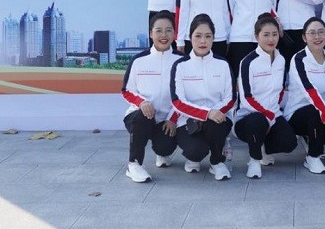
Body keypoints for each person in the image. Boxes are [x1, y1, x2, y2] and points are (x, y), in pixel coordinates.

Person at [170, 14, 234, 180]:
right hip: (188, 121)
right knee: (195, 151)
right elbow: (178, 102)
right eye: (198, 36)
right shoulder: (180, 65)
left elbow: (231, 97)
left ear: (214, 38)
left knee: (214, 124)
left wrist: (213, 113)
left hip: (218, 118)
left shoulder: (223, 64)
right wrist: (206, 113)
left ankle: (217, 162)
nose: (203, 41)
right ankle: (194, 157)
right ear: (190, 37)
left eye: (208, 36)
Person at [234, 13, 298, 178]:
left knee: (290, 143)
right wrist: (267, 115)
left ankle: (263, 146)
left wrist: (275, 113)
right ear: (257, 36)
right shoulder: (248, 62)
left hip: (273, 114)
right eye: (266, 35)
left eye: (274, 34)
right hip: (248, 117)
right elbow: (247, 98)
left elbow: (280, 89)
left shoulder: (280, 59)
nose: (271, 39)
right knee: (257, 121)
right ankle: (254, 160)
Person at [121, 12, 181, 183]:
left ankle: (163, 153)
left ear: (175, 34)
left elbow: (187, 95)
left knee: (165, 147)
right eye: (158, 30)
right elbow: (126, 90)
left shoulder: (182, 61)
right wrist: (142, 102)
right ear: (150, 33)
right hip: (140, 115)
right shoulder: (139, 60)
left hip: (167, 120)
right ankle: (134, 164)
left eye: (168, 30)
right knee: (142, 117)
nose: (164, 35)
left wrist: (173, 119)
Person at [283, 17, 325, 174]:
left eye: (321, 32)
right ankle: (313, 157)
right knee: (315, 113)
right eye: (312, 33)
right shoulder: (299, 59)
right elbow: (309, 89)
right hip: (299, 111)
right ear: (304, 37)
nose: (317, 37)